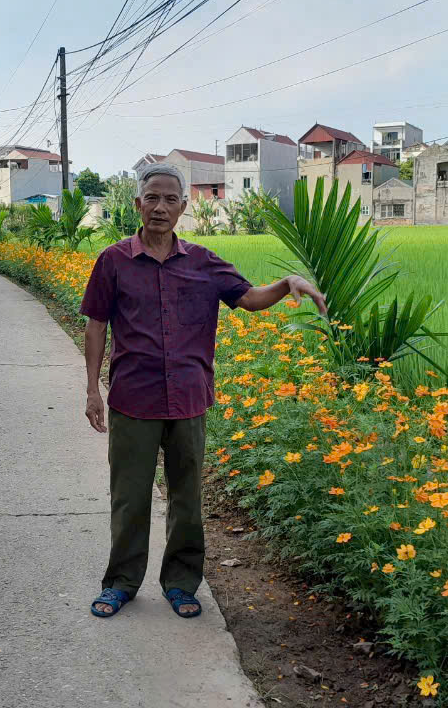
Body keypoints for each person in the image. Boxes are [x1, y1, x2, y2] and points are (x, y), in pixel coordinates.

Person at [80, 163, 327, 619]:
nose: (160, 207)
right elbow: (96, 325)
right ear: (137, 204)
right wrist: (93, 389)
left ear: (183, 208)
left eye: (170, 199)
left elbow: (249, 298)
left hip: (188, 398)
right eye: (152, 198)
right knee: (129, 497)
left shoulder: (203, 262)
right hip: (133, 398)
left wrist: (287, 283)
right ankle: (121, 583)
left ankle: (181, 583)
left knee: (187, 497)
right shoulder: (113, 260)